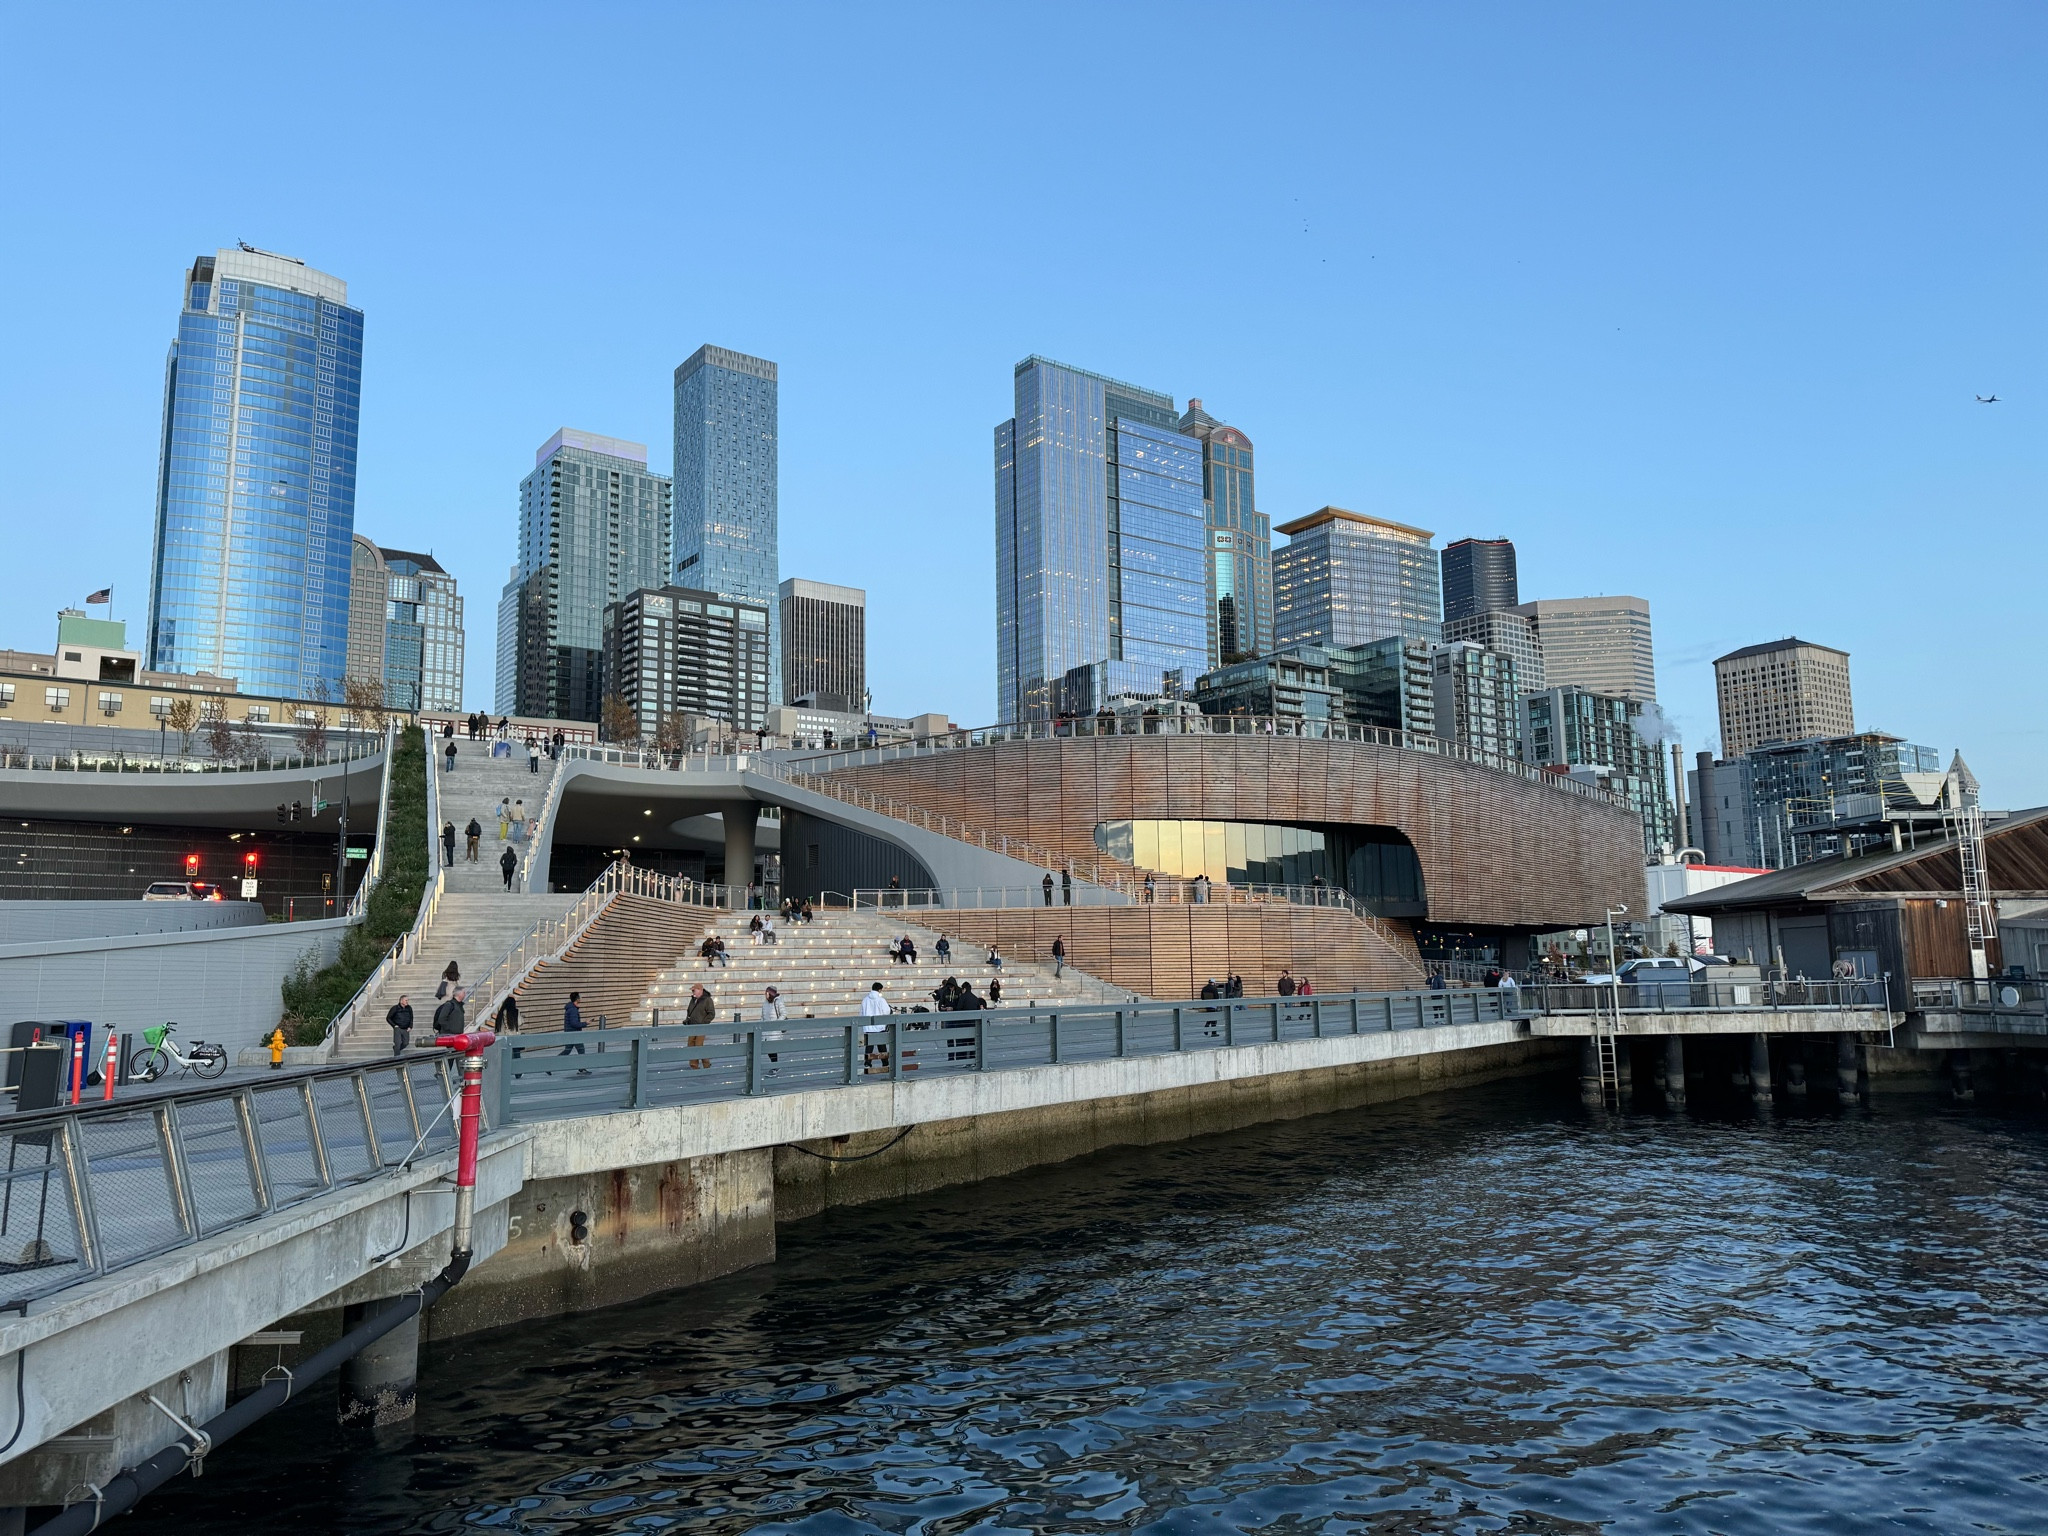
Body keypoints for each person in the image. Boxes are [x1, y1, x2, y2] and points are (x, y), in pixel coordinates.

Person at [860, 981, 891, 1072]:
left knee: (869, 1046)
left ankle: (867, 1063)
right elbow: (886, 1012)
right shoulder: (881, 1000)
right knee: (882, 1046)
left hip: (868, 1027)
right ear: (879, 989)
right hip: (879, 1026)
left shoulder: (865, 1000)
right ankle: (885, 1063)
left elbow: (861, 1012)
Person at [558, 992, 586, 1057]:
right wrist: (585, 1023)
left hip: (569, 1033)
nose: (581, 998)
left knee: (567, 1050)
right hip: (574, 1034)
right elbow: (574, 1024)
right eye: (580, 997)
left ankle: (555, 1062)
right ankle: (582, 1067)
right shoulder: (573, 1010)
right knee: (581, 1051)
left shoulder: (570, 1008)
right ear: (577, 999)